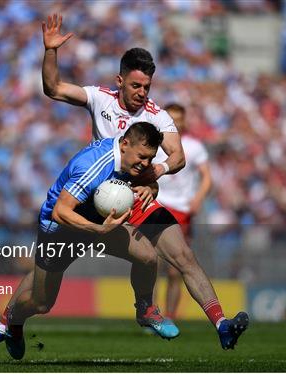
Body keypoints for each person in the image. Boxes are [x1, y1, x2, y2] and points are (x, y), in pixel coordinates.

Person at [40, 14, 247, 351]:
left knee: (183, 256)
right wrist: (50, 51)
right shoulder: (99, 98)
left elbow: (177, 156)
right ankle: (10, 322)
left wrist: (158, 172)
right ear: (120, 80)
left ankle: (221, 324)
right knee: (42, 294)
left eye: (146, 87)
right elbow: (54, 88)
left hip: (137, 199)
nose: (141, 93)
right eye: (135, 86)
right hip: (96, 201)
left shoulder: (156, 114)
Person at [0, 123, 172, 362]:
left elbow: (150, 183)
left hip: (96, 222)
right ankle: (6, 325)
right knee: (42, 303)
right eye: (142, 157)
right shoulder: (94, 166)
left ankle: (145, 309)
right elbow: (60, 212)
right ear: (125, 144)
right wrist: (99, 228)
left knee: (148, 256)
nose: (146, 164)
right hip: (59, 230)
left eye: (150, 159)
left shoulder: (133, 158)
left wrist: (151, 187)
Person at [154, 103, 213, 321]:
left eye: (179, 118)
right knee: (151, 263)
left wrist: (197, 199)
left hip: (181, 210)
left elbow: (207, 176)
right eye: (172, 118)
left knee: (174, 270)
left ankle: (170, 316)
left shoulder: (194, 146)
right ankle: (153, 315)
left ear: (184, 120)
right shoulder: (154, 144)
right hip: (157, 205)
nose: (176, 122)